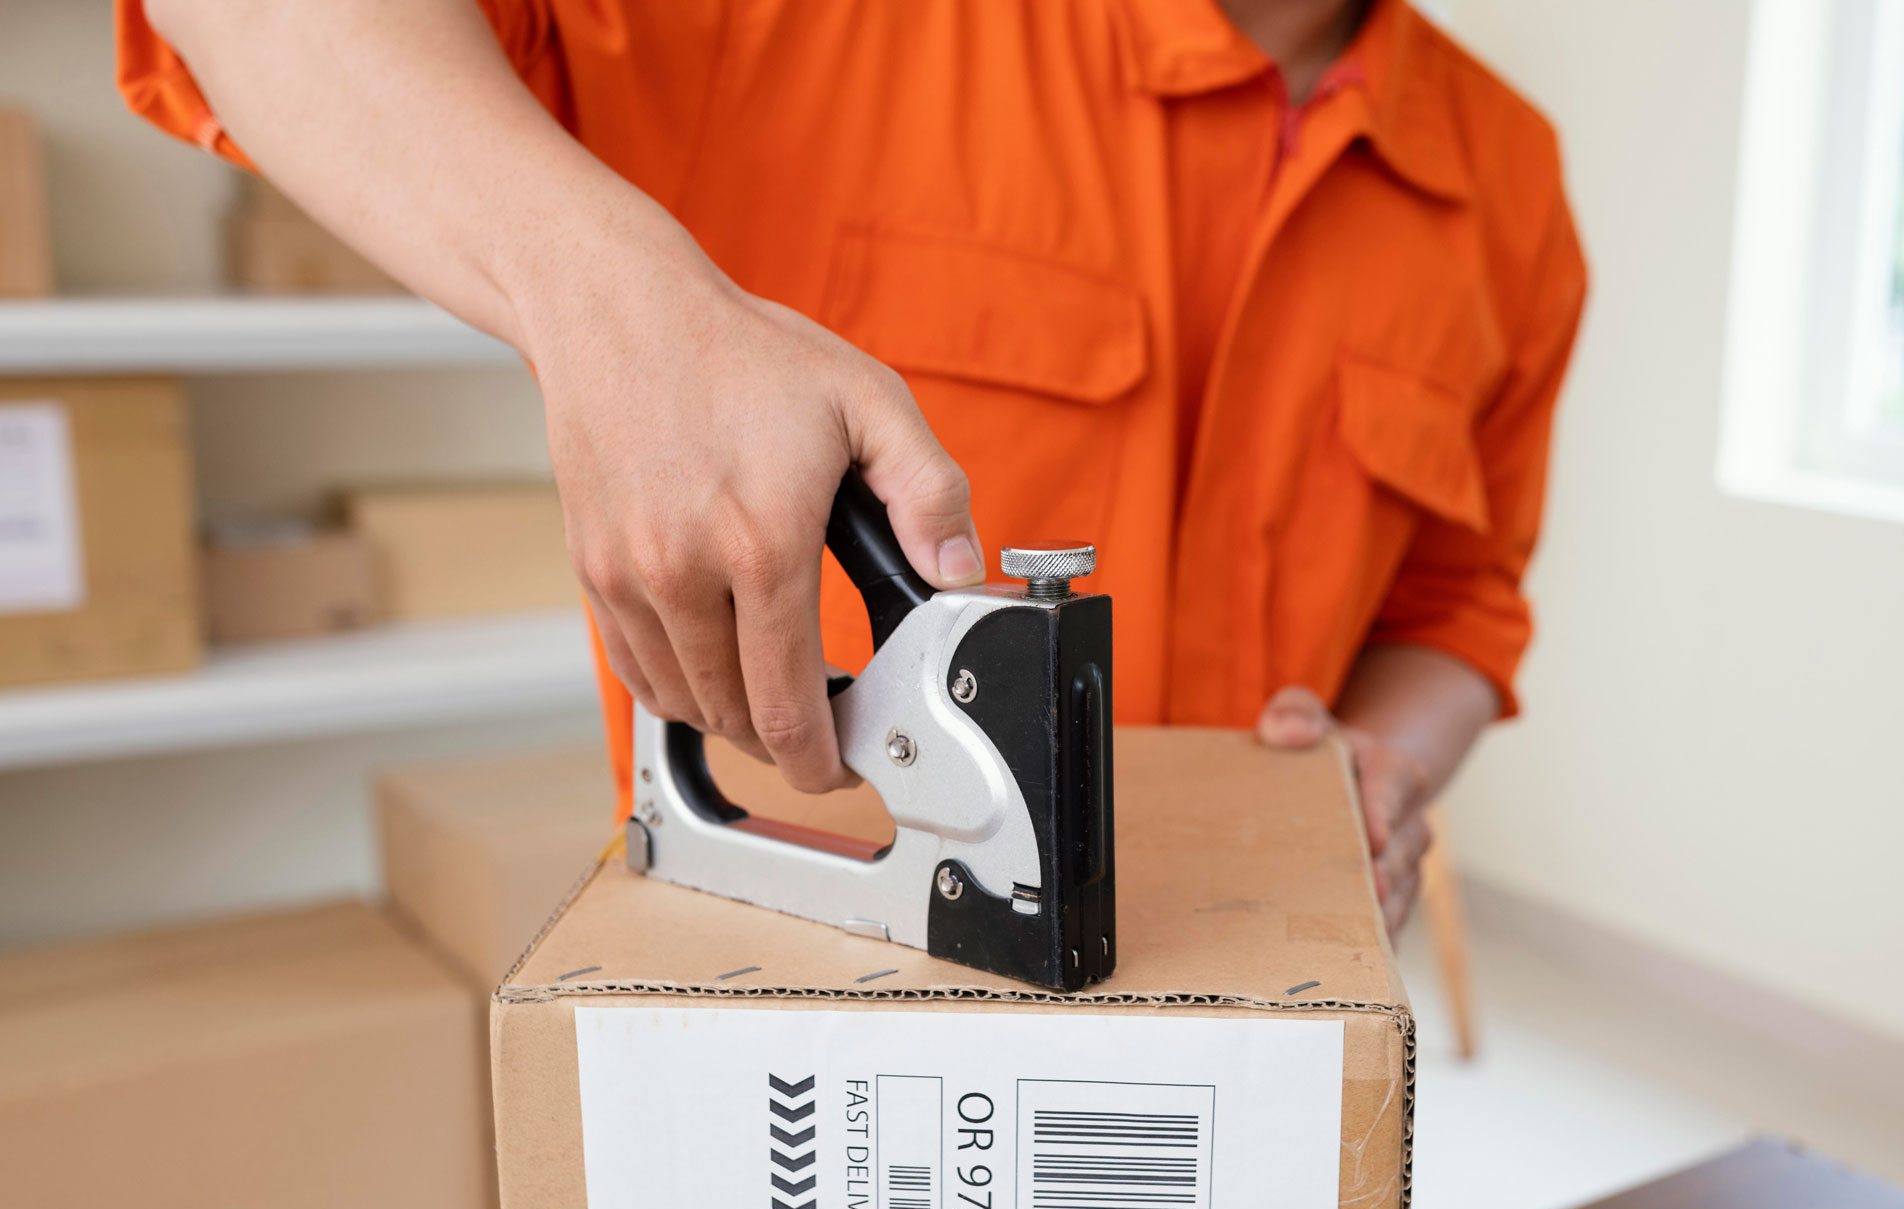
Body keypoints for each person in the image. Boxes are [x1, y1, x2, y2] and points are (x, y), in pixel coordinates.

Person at [118, 0, 1585, 933]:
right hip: (804, 954)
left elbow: (1457, 606)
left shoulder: (1506, 177)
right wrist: (618, 303)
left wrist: (1385, 764)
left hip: (1243, 977)